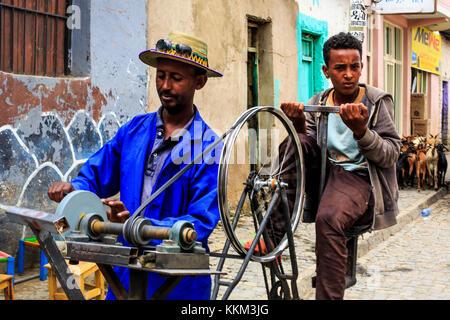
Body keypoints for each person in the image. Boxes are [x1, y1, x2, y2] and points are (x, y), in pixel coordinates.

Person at [48, 31, 223, 300]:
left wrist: (138, 226)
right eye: (161, 75)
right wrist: (75, 189)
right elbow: (97, 173)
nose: (165, 86)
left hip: (177, 284)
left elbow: (199, 223)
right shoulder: (134, 131)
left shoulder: (209, 147)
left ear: (199, 82)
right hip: (125, 276)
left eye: (176, 78)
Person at [280, 32, 401, 300]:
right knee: (292, 144)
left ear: (361, 67)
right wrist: (297, 124)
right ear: (326, 70)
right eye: (340, 68)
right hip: (326, 174)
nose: (348, 74)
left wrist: (362, 132)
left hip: (358, 178)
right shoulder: (318, 103)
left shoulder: (377, 101)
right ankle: (273, 234)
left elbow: (391, 154)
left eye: (354, 67)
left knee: (329, 219)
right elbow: (307, 149)